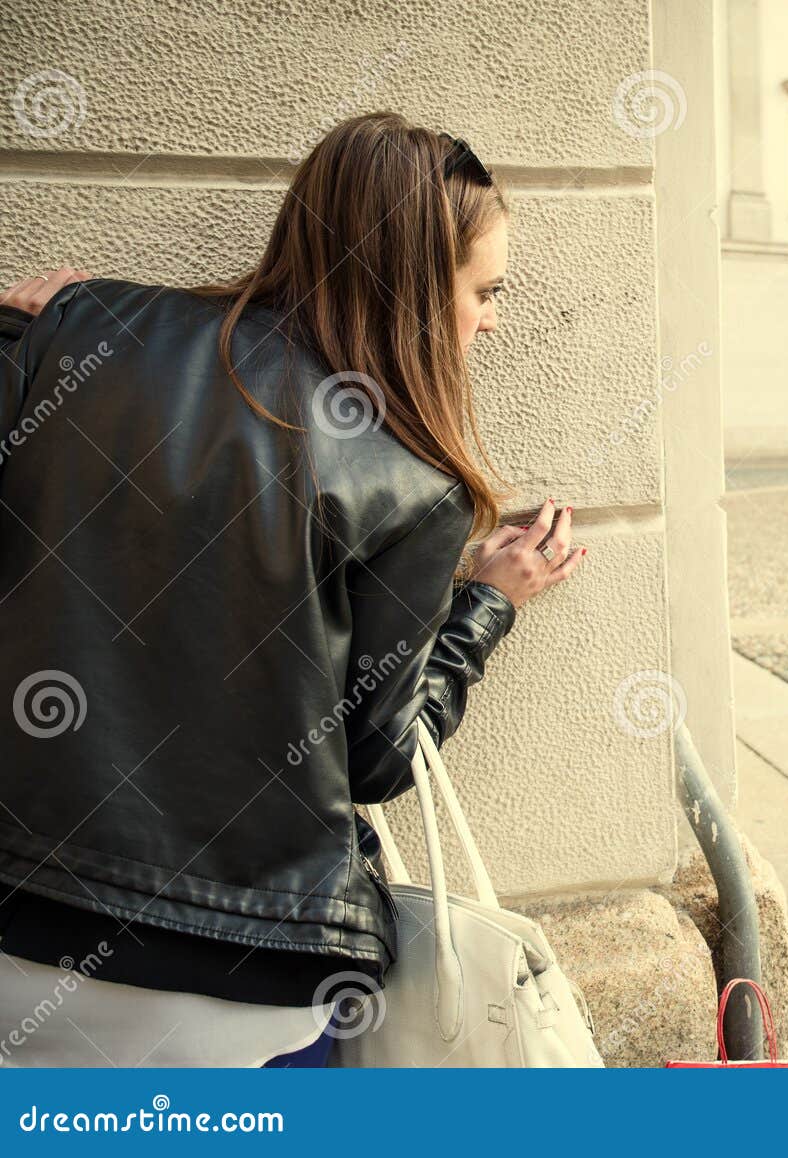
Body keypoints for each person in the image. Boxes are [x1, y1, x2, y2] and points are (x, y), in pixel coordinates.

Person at [0, 113, 586, 1067]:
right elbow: (373, 760)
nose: (491, 319)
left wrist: (19, 337)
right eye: (483, 290)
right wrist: (489, 605)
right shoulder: (413, 481)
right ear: (412, 284)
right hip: (242, 979)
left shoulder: (78, 329)